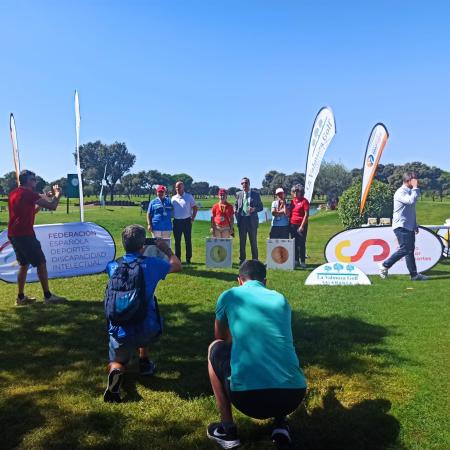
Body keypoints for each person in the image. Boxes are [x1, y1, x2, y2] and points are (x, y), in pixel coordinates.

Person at [207, 260, 307, 448]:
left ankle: (227, 430)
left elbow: (220, 337)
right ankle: (280, 424)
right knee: (277, 350)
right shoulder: (280, 299)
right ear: (265, 281)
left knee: (214, 347)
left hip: (247, 398)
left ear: (240, 280)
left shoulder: (229, 296)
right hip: (292, 396)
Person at [104, 224, 182, 403]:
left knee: (118, 361)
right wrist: (166, 249)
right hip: (147, 328)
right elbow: (177, 265)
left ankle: (116, 370)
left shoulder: (113, 266)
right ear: (143, 245)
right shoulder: (151, 264)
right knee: (148, 306)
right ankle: (144, 361)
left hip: (119, 327)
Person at [7, 169, 67, 306]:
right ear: (27, 181)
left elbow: (32, 210)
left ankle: (20, 298)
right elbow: (53, 206)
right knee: (41, 263)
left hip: (14, 234)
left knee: (23, 264)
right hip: (25, 235)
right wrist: (58, 195)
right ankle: (48, 296)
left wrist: (44, 198)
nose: (35, 181)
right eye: (33, 179)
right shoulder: (28, 193)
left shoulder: (14, 193)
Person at [379, 172, 428, 281]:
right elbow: (411, 201)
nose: (417, 182)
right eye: (414, 180)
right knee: (406, 249)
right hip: (401, 226)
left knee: (409, 251)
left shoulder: (409, 192)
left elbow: (411, 211)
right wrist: (415, 188)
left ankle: (414, 275)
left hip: (408, 226)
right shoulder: (400, 192)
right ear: (408, 181)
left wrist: (415, 225)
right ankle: (384, 265)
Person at [234, 177, 264, 264]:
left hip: (252, 222)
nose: (244, 185)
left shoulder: (255, 194)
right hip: (242, 221)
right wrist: (235, 209)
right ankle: (242, 260)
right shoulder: (238, 194)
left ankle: (255, 260)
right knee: (242, 242)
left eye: (246, 183)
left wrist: (254, 209)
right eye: (242, 183)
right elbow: (236, 205)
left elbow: (261, 207)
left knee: (253, 242)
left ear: (249, 184)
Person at [171, 181, 198, 264]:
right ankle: (178, 259)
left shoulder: (189, 197)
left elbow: (195, 208)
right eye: (176, 187)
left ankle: (188, 259)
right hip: (176, 222)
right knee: (177, 242)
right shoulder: (173, 198)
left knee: (188, 241)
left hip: (187, 221)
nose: (178, 189)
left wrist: (192, 218)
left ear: (183, 187)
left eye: (179, 187)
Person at [289, 184, 309, 269]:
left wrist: (301, 226)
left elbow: (306, 215)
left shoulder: (305, 201)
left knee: (301, 243)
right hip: (292, 224)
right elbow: (290, 213)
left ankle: (303, 261)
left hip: (301, 225)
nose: (295, 193)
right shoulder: (292, 201)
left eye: (297, 191)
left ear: (301, 192)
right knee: (294, 243)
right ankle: (296, 260)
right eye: (294, 191)